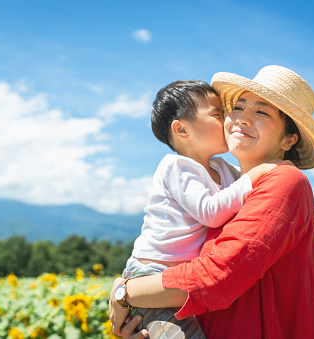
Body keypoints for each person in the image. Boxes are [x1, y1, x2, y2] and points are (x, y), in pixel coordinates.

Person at [109, 65, 314, 339]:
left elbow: (216, 277)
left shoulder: (284, 180)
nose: (243, 119)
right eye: (238, 107)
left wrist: (125, 293)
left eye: (262, 112)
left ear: (289, 139)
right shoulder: (227, 185)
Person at [116, 80, 287, 338]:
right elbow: (211, 211)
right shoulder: (176, 167)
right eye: (218, 114)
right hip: (152, 273)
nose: (229, 120)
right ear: (182, 129)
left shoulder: (223, 170)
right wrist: (258, 174)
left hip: (175, 283)